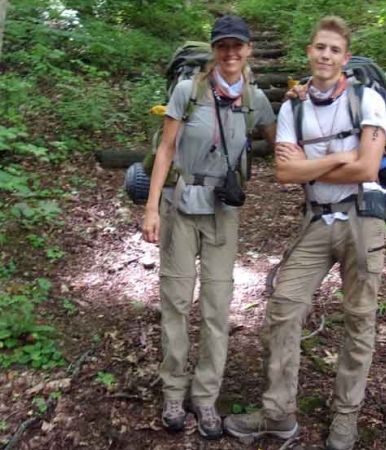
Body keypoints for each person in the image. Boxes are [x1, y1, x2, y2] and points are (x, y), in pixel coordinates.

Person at [223, 16, 386, 450]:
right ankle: (278, 414)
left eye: (334, 50)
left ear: (345, 58)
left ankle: (346, 417)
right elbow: (283, 172)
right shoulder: (293, 107)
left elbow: (369, 168)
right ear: (309, 52)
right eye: (319, 47)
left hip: (363, 218)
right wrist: (341, 157)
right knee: (283, 309)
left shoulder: (368, 99)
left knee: (359, 320)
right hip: (316, 219)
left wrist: (311, 164)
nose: (326, 55)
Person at [141, 14, 276, 441]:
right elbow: (165, 151)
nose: (231, 52)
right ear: (214, 51)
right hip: (180, 205)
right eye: (223, 46)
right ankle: (174, 392)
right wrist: (150, 208)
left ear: (249, 50)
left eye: (238, 45)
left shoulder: (256, 101)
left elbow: (286, 149)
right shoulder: (187, 92)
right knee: (176, 302)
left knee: (217, 308)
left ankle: (206, 398)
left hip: (222, 213)